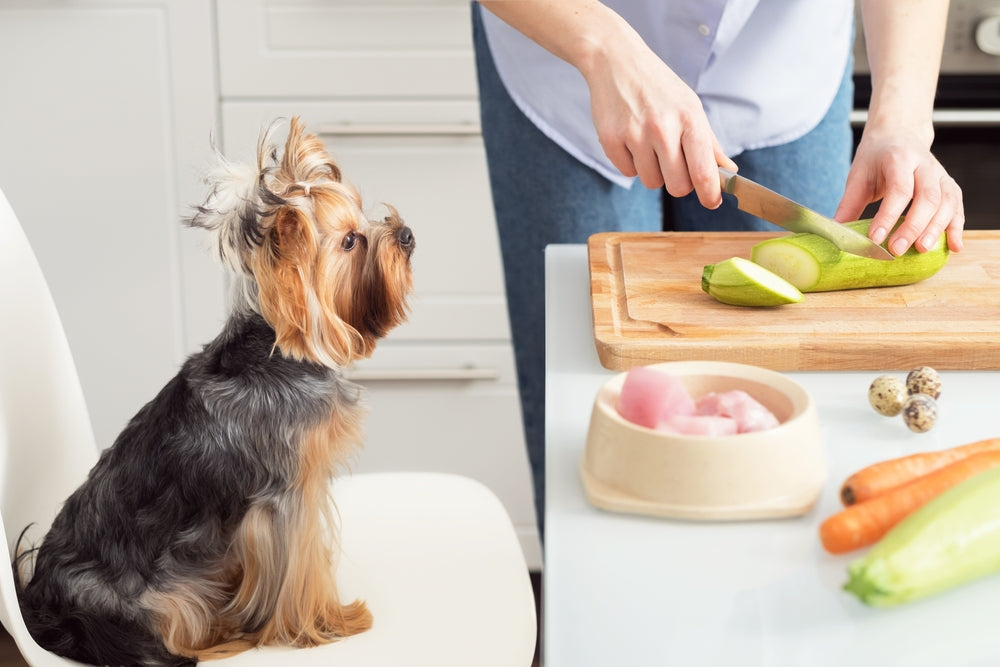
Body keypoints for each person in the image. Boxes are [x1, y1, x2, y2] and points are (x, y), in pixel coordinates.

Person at [471, 0, 965, 539]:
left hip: (780, 53)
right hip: (564, 49)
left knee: (790, 421)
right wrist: (603, 48)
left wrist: (903, 119)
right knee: (584, 410)